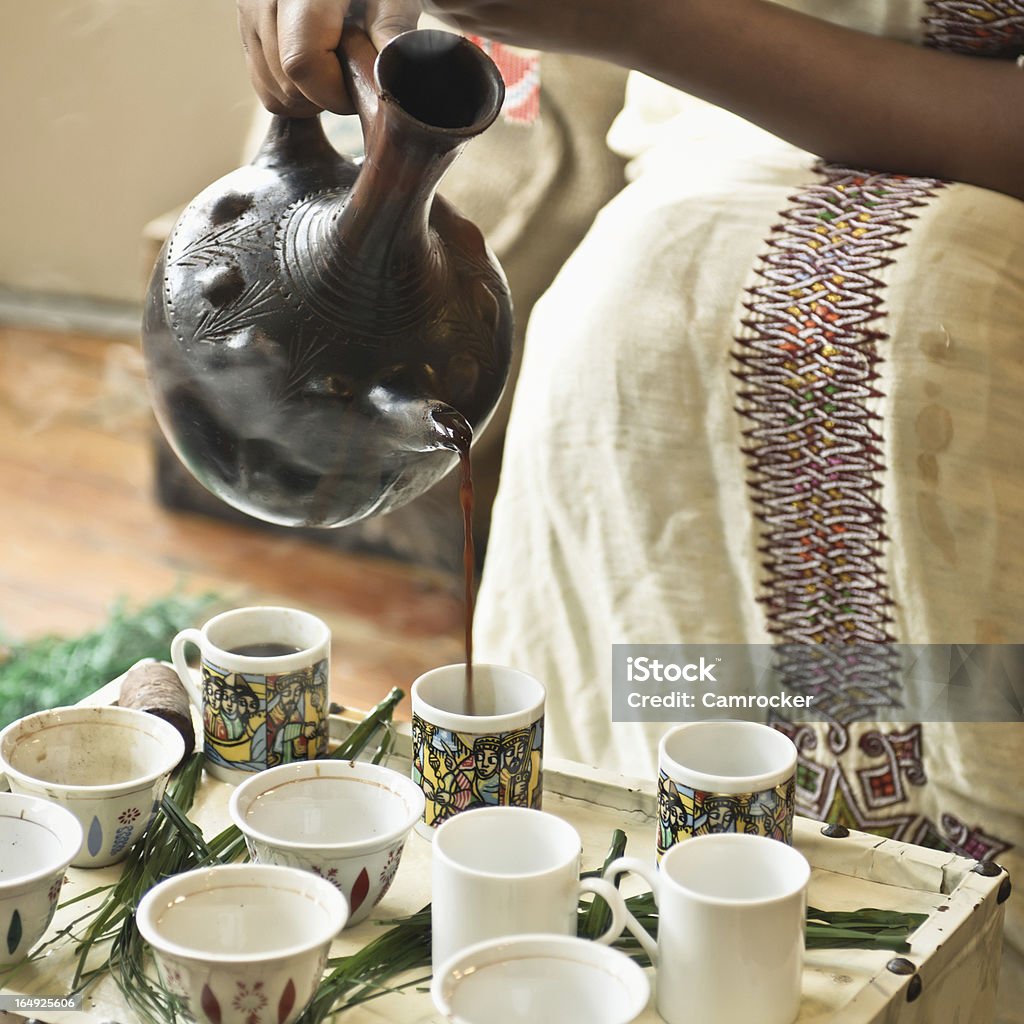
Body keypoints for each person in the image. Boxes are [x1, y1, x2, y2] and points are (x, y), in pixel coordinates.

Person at [236, 2, 1024, 1019]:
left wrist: (629, 18)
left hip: (967, 214)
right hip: (686, 197)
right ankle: (595, 914)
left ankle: (913, 928)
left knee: (920, 358)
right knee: (618, 343)